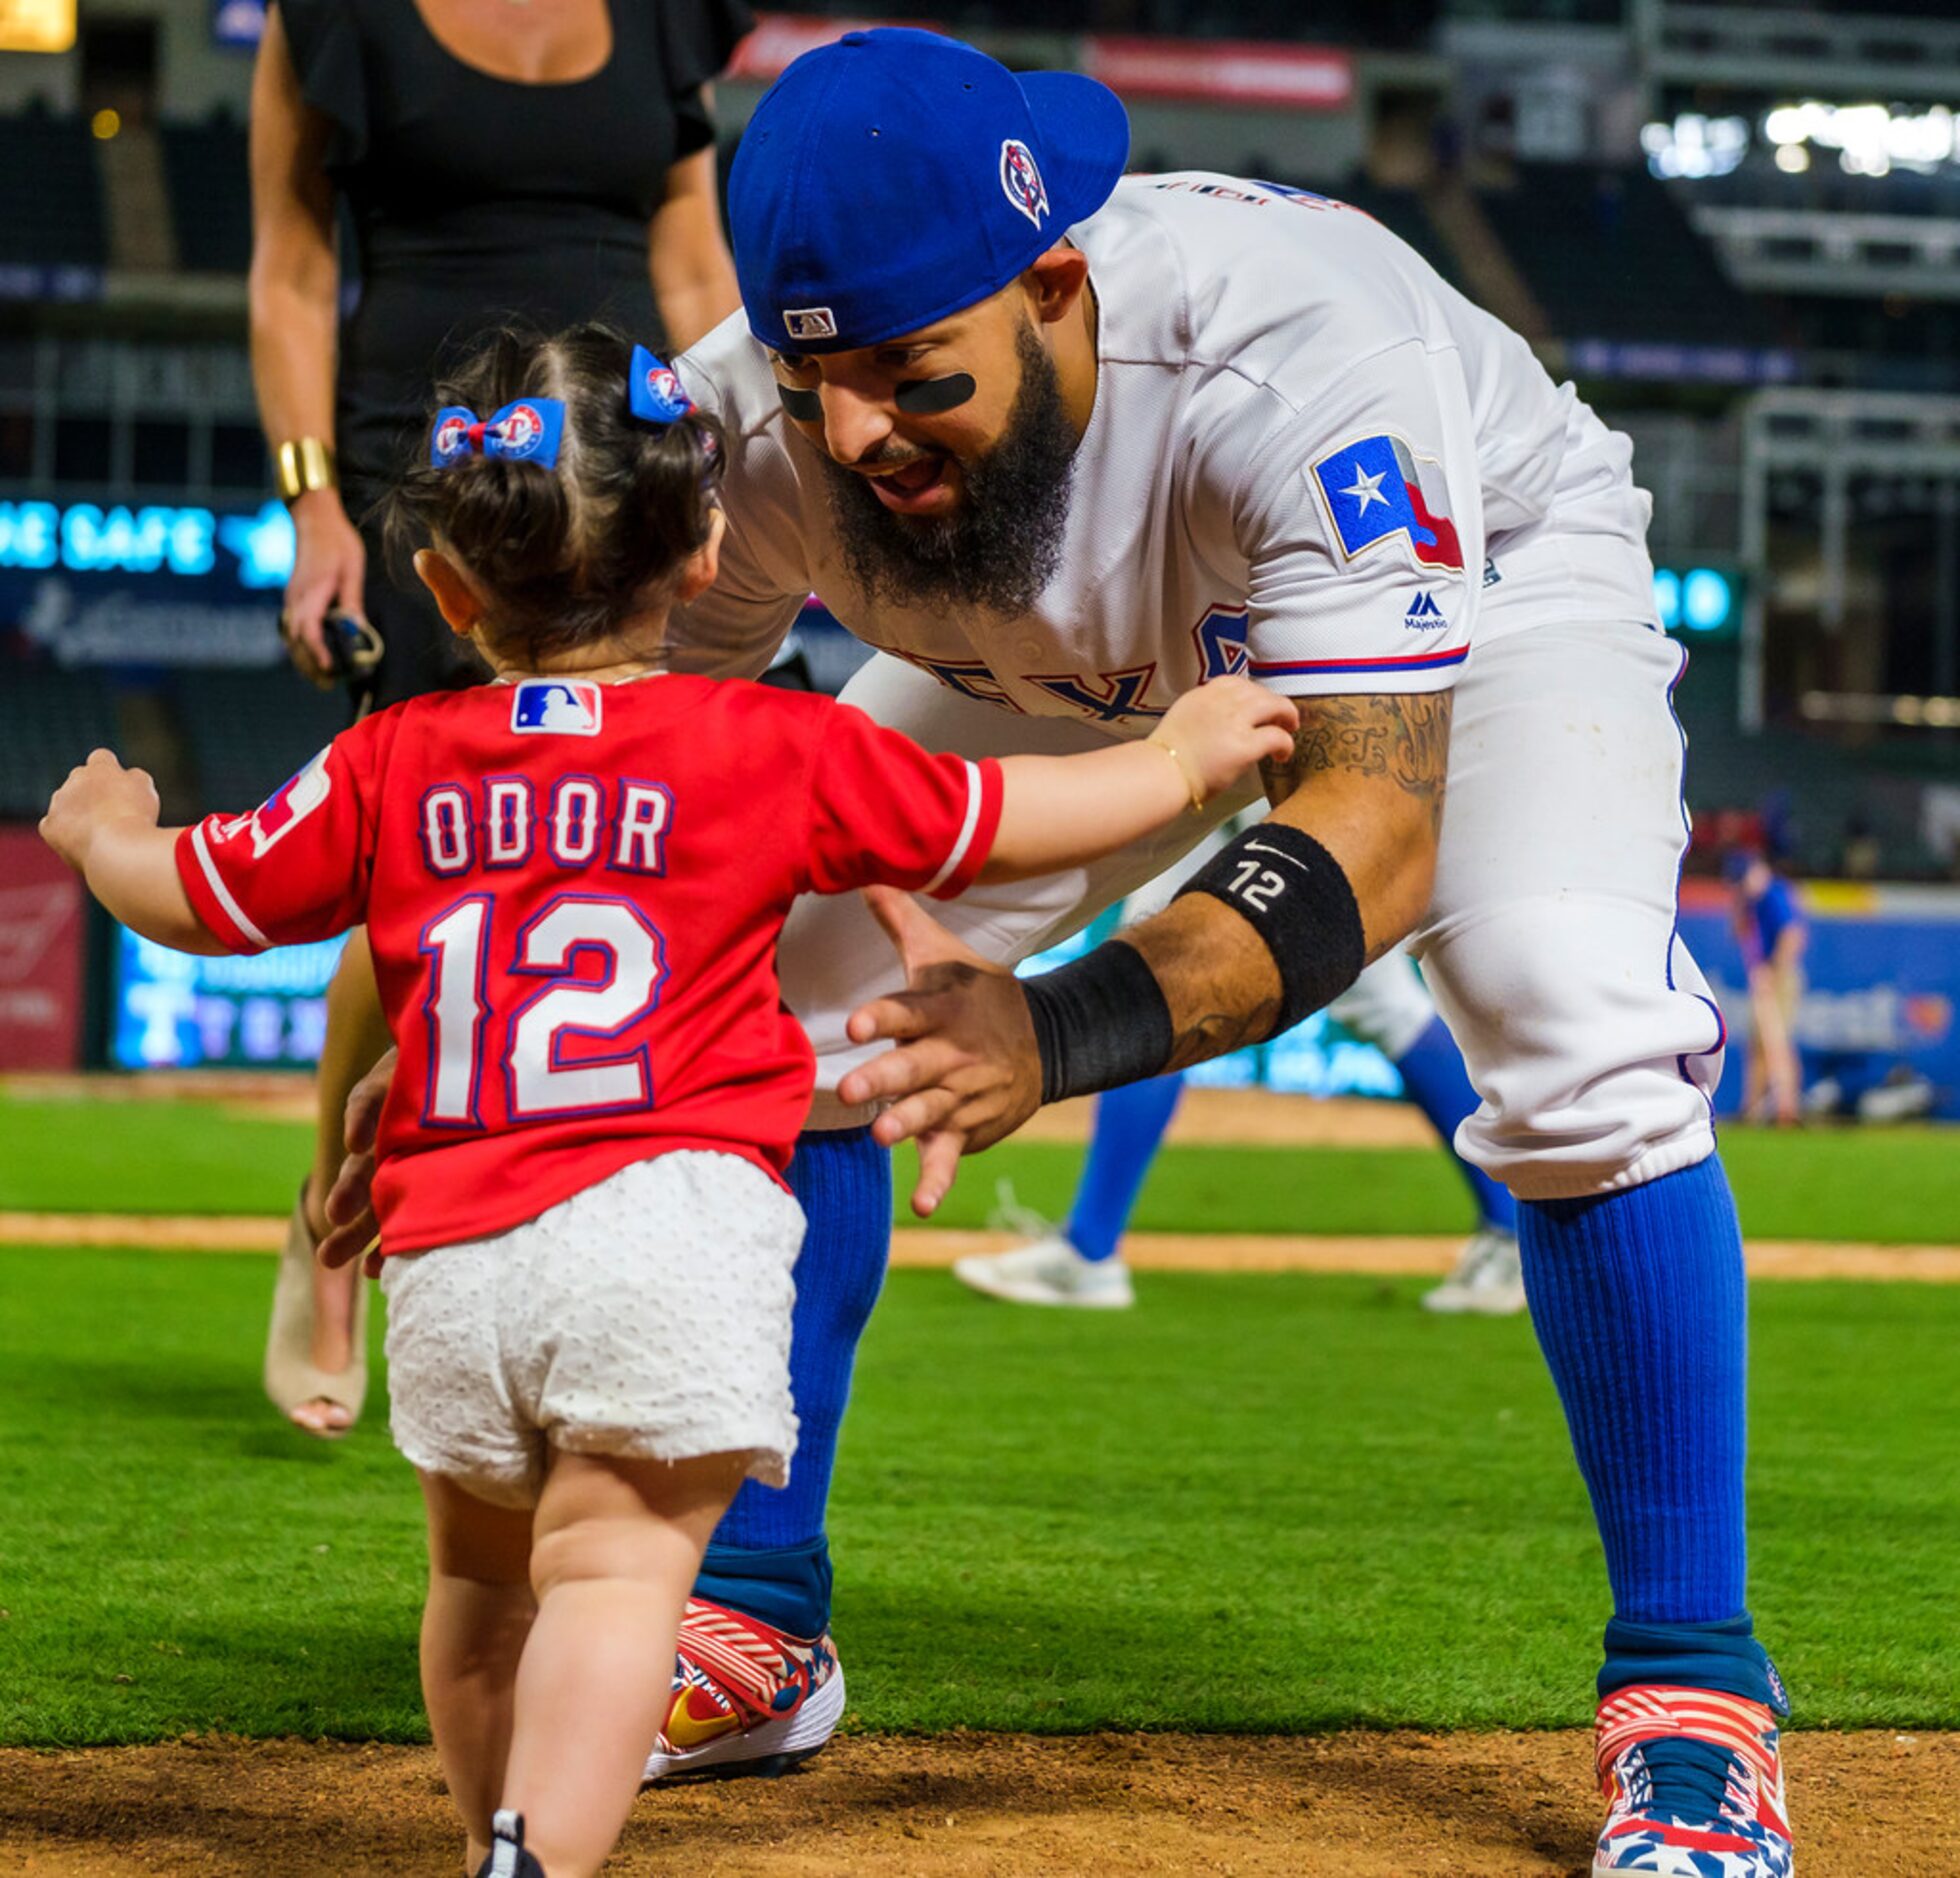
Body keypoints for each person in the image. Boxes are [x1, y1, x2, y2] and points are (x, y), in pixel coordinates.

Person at [329, 32, 1796, 1873]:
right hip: (1041, 644)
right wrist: (484, 1009)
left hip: (1474, 606)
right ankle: (762, 1612)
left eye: (912, 378)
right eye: (816, 384)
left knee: (1566, 1014)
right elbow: (599, 773)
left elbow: (1370, 826)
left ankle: (1694, 1693)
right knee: (782, 992)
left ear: (1053, 282)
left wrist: (1054, 1020)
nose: (856, 433)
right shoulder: (745, 423)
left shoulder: (1300, 359)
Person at [39, 324, 1297, 1878]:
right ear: (707, 554)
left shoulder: (391, 758)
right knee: (620, 1578)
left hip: (451, 1256)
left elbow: (195, 894)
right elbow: (1012, 818)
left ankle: (494, 1835)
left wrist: (101, 829)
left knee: (482, 1595)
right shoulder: (768, 740)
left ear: (446, 589)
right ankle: (544, 1859)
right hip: (663, 1227)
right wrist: (1179, 761)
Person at [248, 0, 750, 1437]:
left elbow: (690, 255)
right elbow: (291, 269)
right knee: (411, 869)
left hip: (628, 462)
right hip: (439, 466)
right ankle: (329, 1230)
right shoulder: (335, 17)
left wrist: (730, 473)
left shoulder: (663, 16)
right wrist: (312, 506)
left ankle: (595, 1263)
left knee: (663, 849)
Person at [952, 825, 1522, 1313]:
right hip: (1275, 760)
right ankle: (1089, 1247)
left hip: (1280, 760)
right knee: (1375, 1002)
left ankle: (1089, 1251)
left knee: (1162, 982)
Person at [1724, 850, 1807, 1126]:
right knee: (1758, 1045)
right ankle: (1753, 1110)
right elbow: (1737, 933)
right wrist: (1739, 903)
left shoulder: (1774, 894)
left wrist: (1774, 972)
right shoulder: (1751, 900)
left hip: (1778, 977)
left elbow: (1793, 936)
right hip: (1764, 976)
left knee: (1777, 1043)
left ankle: (1787, 1109)